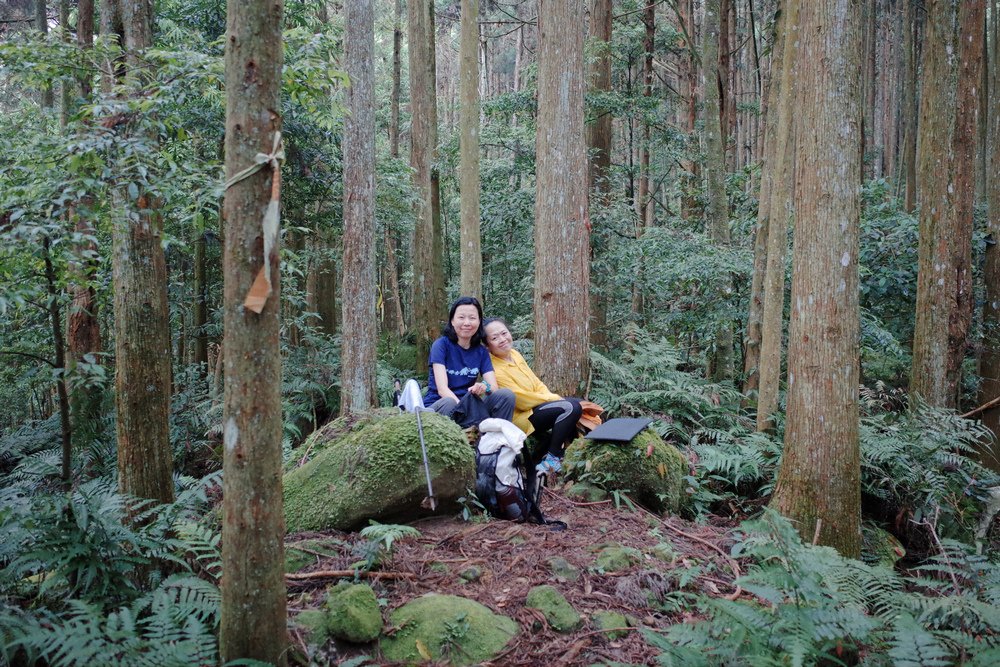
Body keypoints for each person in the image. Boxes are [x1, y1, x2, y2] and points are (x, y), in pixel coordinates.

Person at [483, 318, 583, 473]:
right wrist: (553, 398)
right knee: (570, 408)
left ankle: (573, 453)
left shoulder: (514, 354)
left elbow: (536, 382)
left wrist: (550, 396)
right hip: (522, 416)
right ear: (487, 346)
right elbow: (520, 400)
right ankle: (551, 460)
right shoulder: (492, 368)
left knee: (580, 404)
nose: (502, 339)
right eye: (495, 338)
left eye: (504, 333)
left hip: (537, 406)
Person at [424, 297, 515, 424]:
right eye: (461, 317)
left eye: (472, 318)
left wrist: (484, 386)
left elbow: (493, 387)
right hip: (441, 405)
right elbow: (442, 389)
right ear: (452, 321)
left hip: (469, 405)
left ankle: (497, 439)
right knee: (449, 403)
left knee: (505, 395)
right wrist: (464, 410)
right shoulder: (441, 345)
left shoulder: (481, 351)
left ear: (479, 322)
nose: (467, 323)